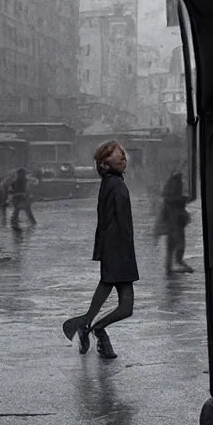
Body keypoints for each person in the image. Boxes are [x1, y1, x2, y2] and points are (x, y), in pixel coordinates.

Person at [61, 140, 138, 359]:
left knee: (111, 293)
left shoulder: (109, 183)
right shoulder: (117, 185)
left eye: (123, 154)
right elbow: (121, 223)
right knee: (126, 307)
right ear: (104, 163)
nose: (123, 157)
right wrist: (121, 251)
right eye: (117, 155)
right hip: (120, 250)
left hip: (114, 249)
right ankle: (94, 328)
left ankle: (87, 326)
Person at [158, 170, 195, 275]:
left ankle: (171, 266)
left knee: (172, 244)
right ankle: (175, 264)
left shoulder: (171, 185)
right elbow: (171, 198)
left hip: (174, 220)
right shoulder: (174, 185)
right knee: (177, 242)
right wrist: (183, 199)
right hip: (175, 220)